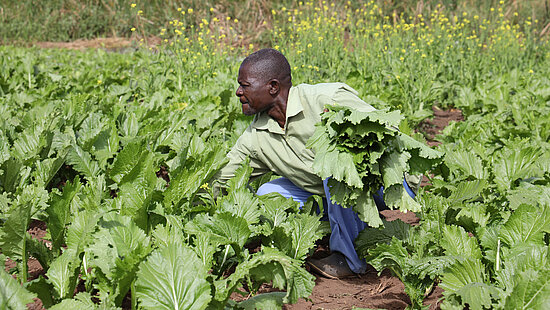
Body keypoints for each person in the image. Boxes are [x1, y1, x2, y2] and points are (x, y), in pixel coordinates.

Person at [213, 48, 418, 279]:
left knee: (336, 166)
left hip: (387, 186)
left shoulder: (326, 99)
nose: (238, 92)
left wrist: (350, 140)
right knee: (269, 192)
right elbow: (224, 179)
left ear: (272, 87)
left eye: (245, 85)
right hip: (335, 193)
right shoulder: (256, 136)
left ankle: (350, 259)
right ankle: (352, 227)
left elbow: (386, 130)